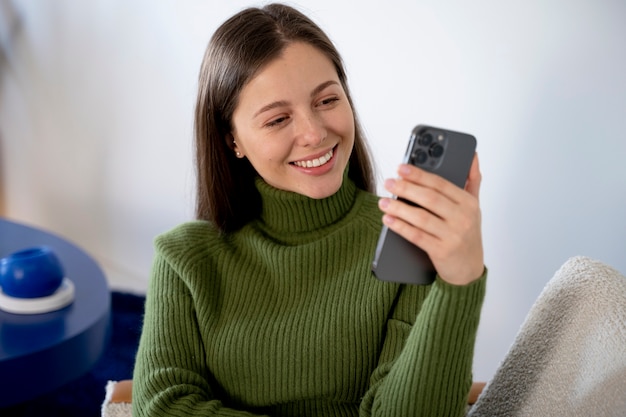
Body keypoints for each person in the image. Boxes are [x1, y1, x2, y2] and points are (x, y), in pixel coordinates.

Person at [132, 3, 486, 417]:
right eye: (278, 119)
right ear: (233, 141)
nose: (315, 134)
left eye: (327, 100)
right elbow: (161, 407)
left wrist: (460, 280)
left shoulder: (408, 235)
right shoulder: (184, 259)